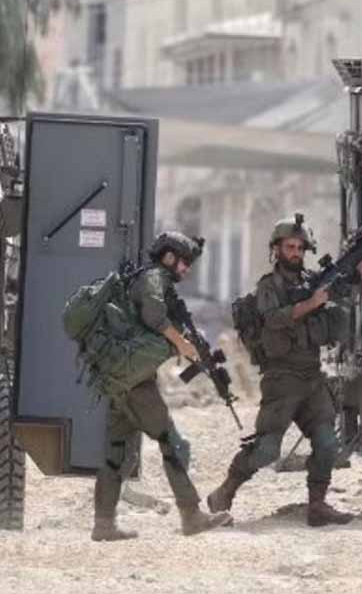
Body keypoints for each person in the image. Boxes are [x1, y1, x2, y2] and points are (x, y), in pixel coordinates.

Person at [208, 214, 358, 527]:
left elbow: (339, 300)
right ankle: (223, 494)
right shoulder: (269, 286)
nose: (295, 253)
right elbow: (273, 319)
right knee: (266, 450)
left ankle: (317, 506)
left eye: (300, 248)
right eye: (289, 247)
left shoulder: (312, 281)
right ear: (276, 249)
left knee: (327, 443)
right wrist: (312, 304)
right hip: (282, 379)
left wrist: (354, 275)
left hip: (311, 376)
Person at [91, 231, 232, 541]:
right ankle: (191, 515)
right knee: (172, 443)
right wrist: (181, 343)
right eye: (184, 263)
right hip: (134, 381)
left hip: (121, 377)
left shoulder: (151, 280)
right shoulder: (154, 277)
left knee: (117, 452)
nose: (186, 270)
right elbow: (154, 315)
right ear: (169, 257)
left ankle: (103, 523)